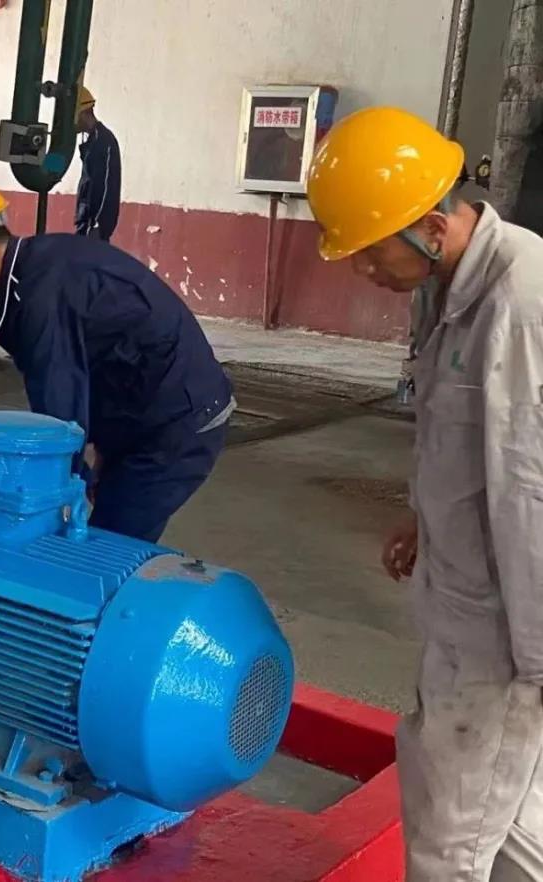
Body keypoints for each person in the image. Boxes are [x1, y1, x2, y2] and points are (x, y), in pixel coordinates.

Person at [308, 106, 543, 882]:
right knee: (510, 824)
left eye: (370, 252)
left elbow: (532, 495)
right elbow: (467, 437)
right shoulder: (455, 289)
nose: (363, 272)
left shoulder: (519, 305)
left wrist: (538, 666)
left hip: (506, 639)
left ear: (431, 227)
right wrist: (426, 517)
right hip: (469, 606)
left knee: (449, 845)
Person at [0, 167, 234, 544]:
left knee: (103, 553)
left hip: (179, 420)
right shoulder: (38, 269)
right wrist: (100, 456)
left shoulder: (39, 297)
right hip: (148, 411)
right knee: (102, 533)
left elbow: (59, 415)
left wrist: (65, 485)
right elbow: (99, 364)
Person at [74, 86, 121, 242]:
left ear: (82, 114)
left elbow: (106, 187)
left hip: (94, 226)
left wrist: (96, 225)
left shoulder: (104, 141)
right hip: (85, 222)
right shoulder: (92, 140)